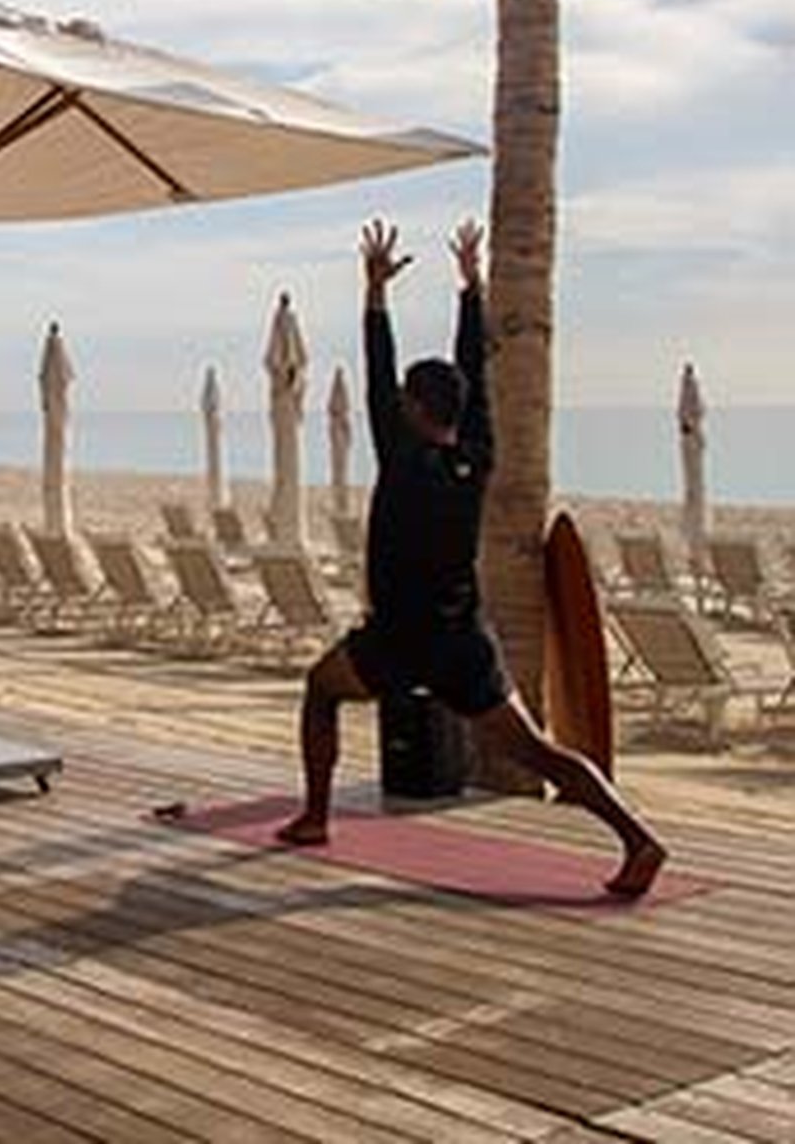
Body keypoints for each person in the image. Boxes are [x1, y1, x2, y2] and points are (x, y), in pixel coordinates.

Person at [276, 218, 666, 898]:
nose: (393, 403)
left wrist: (375, 295)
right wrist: (469, 286)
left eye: (402, 400)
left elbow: (377, 373)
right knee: (540, 752)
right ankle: (639, 840)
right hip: (464, 642)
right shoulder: (475, 455)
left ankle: (314, 817)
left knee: (320, 690)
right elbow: (476, 378)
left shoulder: (402, 456)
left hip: (400, 641)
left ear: (415, 408)